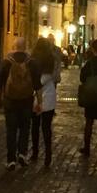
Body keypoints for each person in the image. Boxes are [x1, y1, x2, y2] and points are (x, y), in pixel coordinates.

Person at [0, 37, 42, 170]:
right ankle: (22, 153)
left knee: (11, 129)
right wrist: (40, 102)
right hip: (27, 100)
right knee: (25, 128)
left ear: (14, 47)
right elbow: (38, 85)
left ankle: (11, 160)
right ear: (25, 47)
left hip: (10, 101)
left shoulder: (6, 62)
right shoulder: (32, 63)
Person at [30, 38, 61, 168]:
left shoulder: (33, 60)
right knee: (46, 128)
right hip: (49, 96)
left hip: (35, 96)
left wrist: (35, 84)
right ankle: (48, 155)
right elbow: (52, 76)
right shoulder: (51, 60)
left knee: (35, 126)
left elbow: (34, 80)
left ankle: (35, 153)